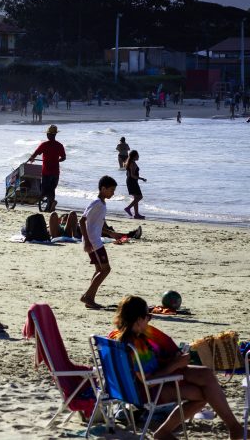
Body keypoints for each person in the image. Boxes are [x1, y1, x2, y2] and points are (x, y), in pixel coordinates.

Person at [109, 296, 245, 440]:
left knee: (205, 374)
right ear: (138, 320)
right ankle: (234, 429)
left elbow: (163, 349)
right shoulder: (137, 346)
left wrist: (175, 359)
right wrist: (175, 364)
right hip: (146, 391)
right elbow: (149, 381)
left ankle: (235, 428)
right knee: (204, 393)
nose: (149, 320)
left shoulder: (116, 336)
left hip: (126, 389)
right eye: (148, 317)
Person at [80, 175, 117, 309]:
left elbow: (97, 224)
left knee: (99, 269)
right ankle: (87, 296)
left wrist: (110, 233)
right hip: (93, 242)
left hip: (95, 239)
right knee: (105, 269)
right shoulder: (96, 203)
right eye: (111, 190)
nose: (113, 193)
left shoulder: (102, 203)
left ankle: (90, 298)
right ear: (103, 188)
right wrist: (87, 242)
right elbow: (82, 221)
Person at [27, 124, 65, 212]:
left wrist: (32, 158)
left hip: (46, 172)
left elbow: (36, 153)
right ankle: (50, 206)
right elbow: (63, 158)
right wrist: (57, 160)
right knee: (52, 189)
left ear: (48, 135)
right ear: (55, 135)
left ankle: (50, 203)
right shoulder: (59, 145)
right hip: (55, 172)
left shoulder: (44, 145)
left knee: (44, 189)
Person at [123, 150, 146, 219]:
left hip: (131, 181)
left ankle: (136, 214)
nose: (138, 156)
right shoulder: (132, 163)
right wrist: (141, 178)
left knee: (136, 198)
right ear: (134, 156)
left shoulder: (129, 162)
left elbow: (128, 174)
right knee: (140, 197)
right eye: (137, 155)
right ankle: (128, 208)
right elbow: (132, 175)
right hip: (132, 181)